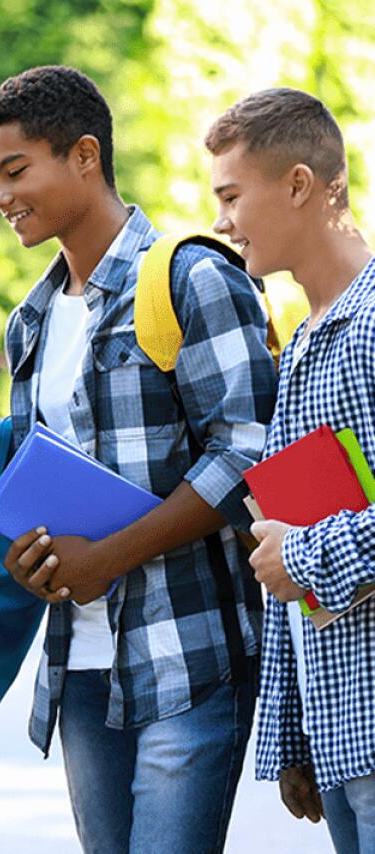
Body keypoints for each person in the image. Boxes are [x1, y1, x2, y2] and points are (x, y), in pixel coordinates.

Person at [0, 66, 277, 853]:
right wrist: (35, 558)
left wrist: (108, 557)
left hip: (189, 657)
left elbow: (249, 455)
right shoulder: (31, 323)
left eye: (16, 171)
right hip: (80, 663)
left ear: (84, 156)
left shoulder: (190, 276)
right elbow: (37, 482)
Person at [206, 87, 375, 854]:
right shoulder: (304, 340)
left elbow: (294, 551)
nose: (222, 221)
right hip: (342, 738)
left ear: (300, 185)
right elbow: (290, 532)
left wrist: (301, 557)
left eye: (232, 196)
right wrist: (299, 736)